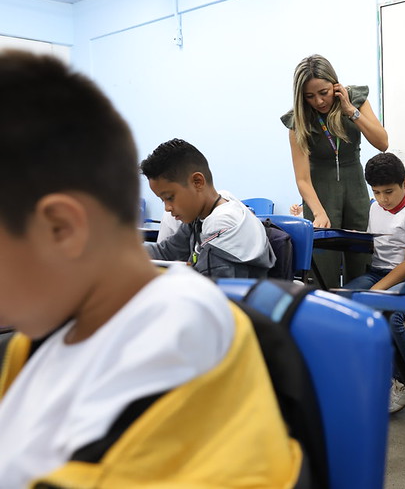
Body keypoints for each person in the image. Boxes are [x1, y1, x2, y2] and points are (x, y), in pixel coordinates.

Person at [0, 50, 302, 487]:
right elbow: (169, 254)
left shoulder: (182, 346)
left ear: (62, 227)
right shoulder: (35, 342)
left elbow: (208, 278)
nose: (169, 210)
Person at [281, 54, 389, 288]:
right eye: (310, 96)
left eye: (324, 92)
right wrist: (318, 212)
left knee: (362, 263)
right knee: (323, 267)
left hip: (356, 190)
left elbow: (382, 143)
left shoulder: (355, 99)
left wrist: (351, 111)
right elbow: (302, 178)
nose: (319, 101)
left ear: (335, 84)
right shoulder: (298, 121)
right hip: (320, 194)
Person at [343, 152, 405, 413]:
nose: (382, 199)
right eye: (377, 192)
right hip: (379, 272)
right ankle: (368, 370)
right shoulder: (375, 207)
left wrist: (375, 290)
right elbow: (378, 247)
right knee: (338, 299)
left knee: (387, 312)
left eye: (388, 192)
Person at [141, 138, 276, 278]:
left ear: (197, 182)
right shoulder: (201, 213)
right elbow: (167, 253)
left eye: (169, 197)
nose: (167, 208)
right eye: (163, 200)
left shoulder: (223, 226)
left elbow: (210, 290)